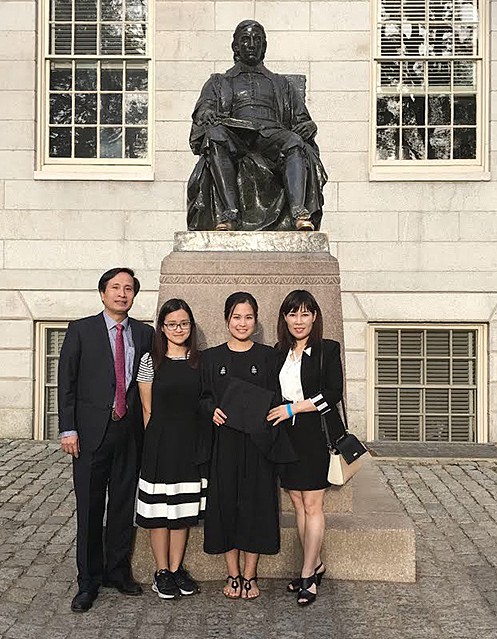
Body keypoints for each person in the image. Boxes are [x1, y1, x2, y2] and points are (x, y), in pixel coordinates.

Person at [58, 267, 154, 613]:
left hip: (129, 433)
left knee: (122, 506)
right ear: (103, 293)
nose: (122, 294)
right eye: (115, 287)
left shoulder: (144, 334)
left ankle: (118, 572)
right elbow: (66, 382)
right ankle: (88, 581)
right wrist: (68, 428)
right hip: (89, 433)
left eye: (128, 288)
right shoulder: (81, 330)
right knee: (89, 507)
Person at [187, 20, 327, 232]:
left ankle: (299, 212)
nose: (251, 44)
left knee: (294, 141)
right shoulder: (219, 81)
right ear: (235, 47)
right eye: (245, 39)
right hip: (235, 133)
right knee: (215, 135)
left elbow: (301, 118)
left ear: (264, 46)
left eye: (257, 40)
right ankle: (230, 212)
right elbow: (204, 108)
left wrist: (310, 125)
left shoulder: (282, 84)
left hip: (272, 134)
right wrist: (206, 112)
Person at [200, 291, 294, 599]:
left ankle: (251, 574)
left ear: (256, 320)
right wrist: (210, 410)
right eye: (236, 317)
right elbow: (202, 397)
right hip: (224, 443)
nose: (243, 323)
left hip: (258, 444)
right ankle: (233, 573)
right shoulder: (212, 357)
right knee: (226, 504)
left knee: (256, 505)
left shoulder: (269, 356)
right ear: (227, 319)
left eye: (249, 317)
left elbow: (278, 395)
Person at [267, 290, 344, 607]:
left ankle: (308, 575)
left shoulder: (327, 349)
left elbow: (333, 394)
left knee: (313, 505)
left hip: (314, 435)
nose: (299, 320)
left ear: (315, 317)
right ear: (284, 318)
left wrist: (294, 409)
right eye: (292, 314)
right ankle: (316, 564)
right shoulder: (278, 351)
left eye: (305, 314)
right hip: (286, 437)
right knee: (298, 504)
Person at [136, 299, 206, 600]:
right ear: (162, 327)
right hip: (160, 441)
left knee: (182, 510)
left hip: (189, 442)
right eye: (172, 324)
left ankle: (177, 568)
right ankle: (161, 572)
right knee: (159, 512)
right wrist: (151, 443)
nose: (179, 329)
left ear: (191, 326)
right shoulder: (150, 360)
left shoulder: (199, 360)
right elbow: (147, 408)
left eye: (184, 323)